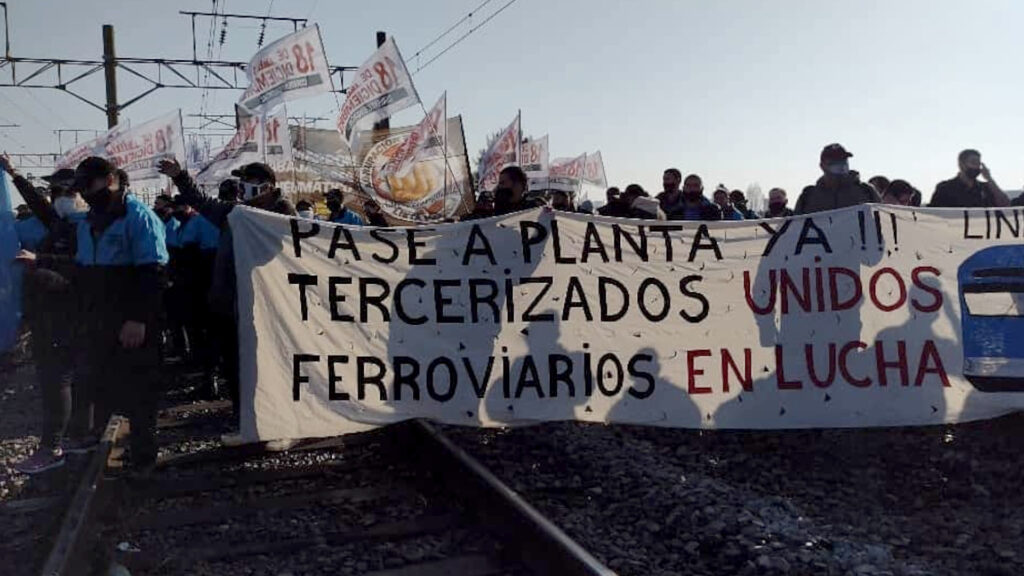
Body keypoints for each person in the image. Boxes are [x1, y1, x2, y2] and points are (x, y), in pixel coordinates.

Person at [17, 157, 168, 470]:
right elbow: (82, 269)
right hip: (100, 317)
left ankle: (144, 458)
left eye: (90, 185)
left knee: (140, 388)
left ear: (111, 180)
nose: (85, 193)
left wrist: (138, 318)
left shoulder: (138, 217)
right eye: (81, 188)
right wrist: (43, 262)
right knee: (109, 385)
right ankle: (118, 445)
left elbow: (153, 272)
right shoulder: (89, 223)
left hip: (131, 316)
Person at [158, 158, 294, 445]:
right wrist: (180, 176)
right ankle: (248, 425)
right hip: (232, 304)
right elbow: (202, 202)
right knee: (236, 366)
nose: (242, 189)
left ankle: (284, 427)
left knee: (273, 367)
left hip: (270, 306)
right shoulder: (234, 213)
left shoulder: (285, 212)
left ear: (266, 186)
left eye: (247, 182)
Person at [2, 159, 87, 473]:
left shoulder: (86, 226)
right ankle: (79, 436)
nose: (53, 198)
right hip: (64, 313)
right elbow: (38, 206)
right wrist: (14, 175)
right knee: (73, 378)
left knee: (57, 380)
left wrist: (40, 262)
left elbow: (81, 268)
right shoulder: (66, 222)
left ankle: (51, 448)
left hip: (66, 314)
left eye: (57, 192)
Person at [794, 144, 880, 214]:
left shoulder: (866, 191)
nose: (841, 165)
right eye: (834, 162)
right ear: (822, 166)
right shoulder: (808, 196)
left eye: (844, 160)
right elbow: (795, 228)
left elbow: (883, 222)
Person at [929, 149, 1009, 208]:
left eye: (978, 163)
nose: (976, 167)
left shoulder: (985, 188)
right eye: (973, 163)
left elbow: (1006, 205)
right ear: (961, 165)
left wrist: (990, 179)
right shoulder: (945, 188)